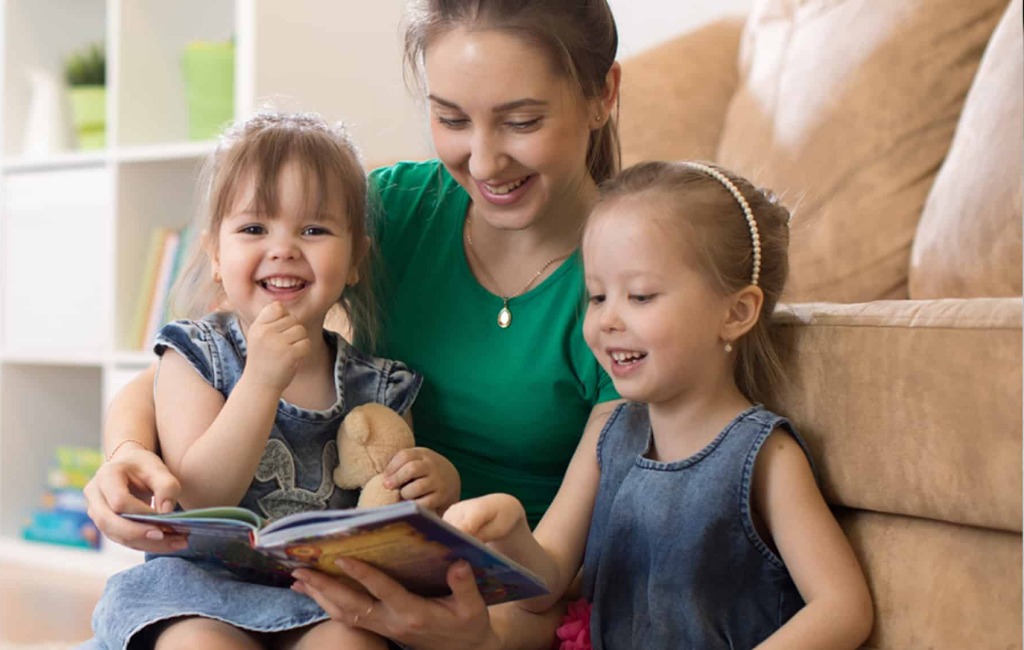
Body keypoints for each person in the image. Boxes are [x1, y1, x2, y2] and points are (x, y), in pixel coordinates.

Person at [85, 1, 623, 648]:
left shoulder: (630, 284)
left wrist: (479, 636)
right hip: (317, 579)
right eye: (450, 118)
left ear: (603, 95)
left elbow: (552, 573)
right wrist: (125, 457)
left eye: (522, 121)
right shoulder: (393, 209)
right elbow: (200, 362)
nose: (482, 163)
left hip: (483, 605)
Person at [440, 161, 876, 648]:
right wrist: (512, 533)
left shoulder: (764, 456)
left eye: (641, 296)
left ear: (736, 312)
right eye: (597, 296)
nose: (607, 319)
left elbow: (842, 607)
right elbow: (546, 588)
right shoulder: (610, 437)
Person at [91, 111, 460, 650]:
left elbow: (388, 512)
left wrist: (436, 483)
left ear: (355, 258)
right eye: (254, 229)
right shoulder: (196, 356)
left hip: (324, 598)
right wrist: (261, 381)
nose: (284, 248)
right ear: (217, 254)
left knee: (352, 645)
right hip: (198, 592)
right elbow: (197, 496)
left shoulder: (380, 386)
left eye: (314, 229)